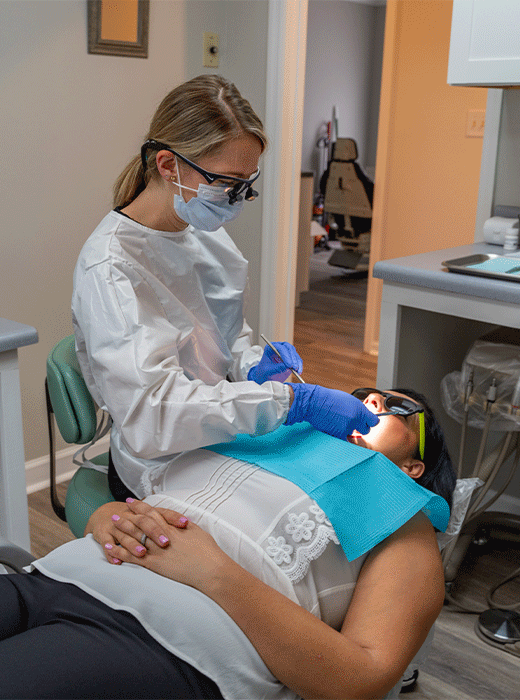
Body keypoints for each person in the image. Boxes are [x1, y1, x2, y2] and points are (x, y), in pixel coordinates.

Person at [0, 388, 455, 700]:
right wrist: (105, 516)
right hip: (45, 581)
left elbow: (361, 679)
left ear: (416, 465)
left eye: (396, 409)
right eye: (366, 393)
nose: (370, 403)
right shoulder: (262, 436)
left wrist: (217, 576)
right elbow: (129, 491)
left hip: (163, 646)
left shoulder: (405, 514)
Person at [72, 74, 379, 503]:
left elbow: (225, 337)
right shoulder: (111, 268)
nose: (236, 198)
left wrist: (254, 366)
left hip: (220, 429)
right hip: (160, 461)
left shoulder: (202, 233)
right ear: (167, 165)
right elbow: (153, 414)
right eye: (227, 182)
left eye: (245, 184)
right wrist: (291, 402)